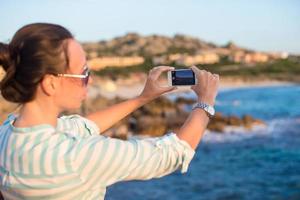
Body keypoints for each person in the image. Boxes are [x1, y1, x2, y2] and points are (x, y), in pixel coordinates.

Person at [0, 23, 219, 199]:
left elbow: (83, 126)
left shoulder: (7, 133)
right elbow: (172, 153)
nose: (90, 79)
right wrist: (205, 102)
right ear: (51, 83)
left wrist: (142, 98)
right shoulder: (76, 158)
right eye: (83, 72)